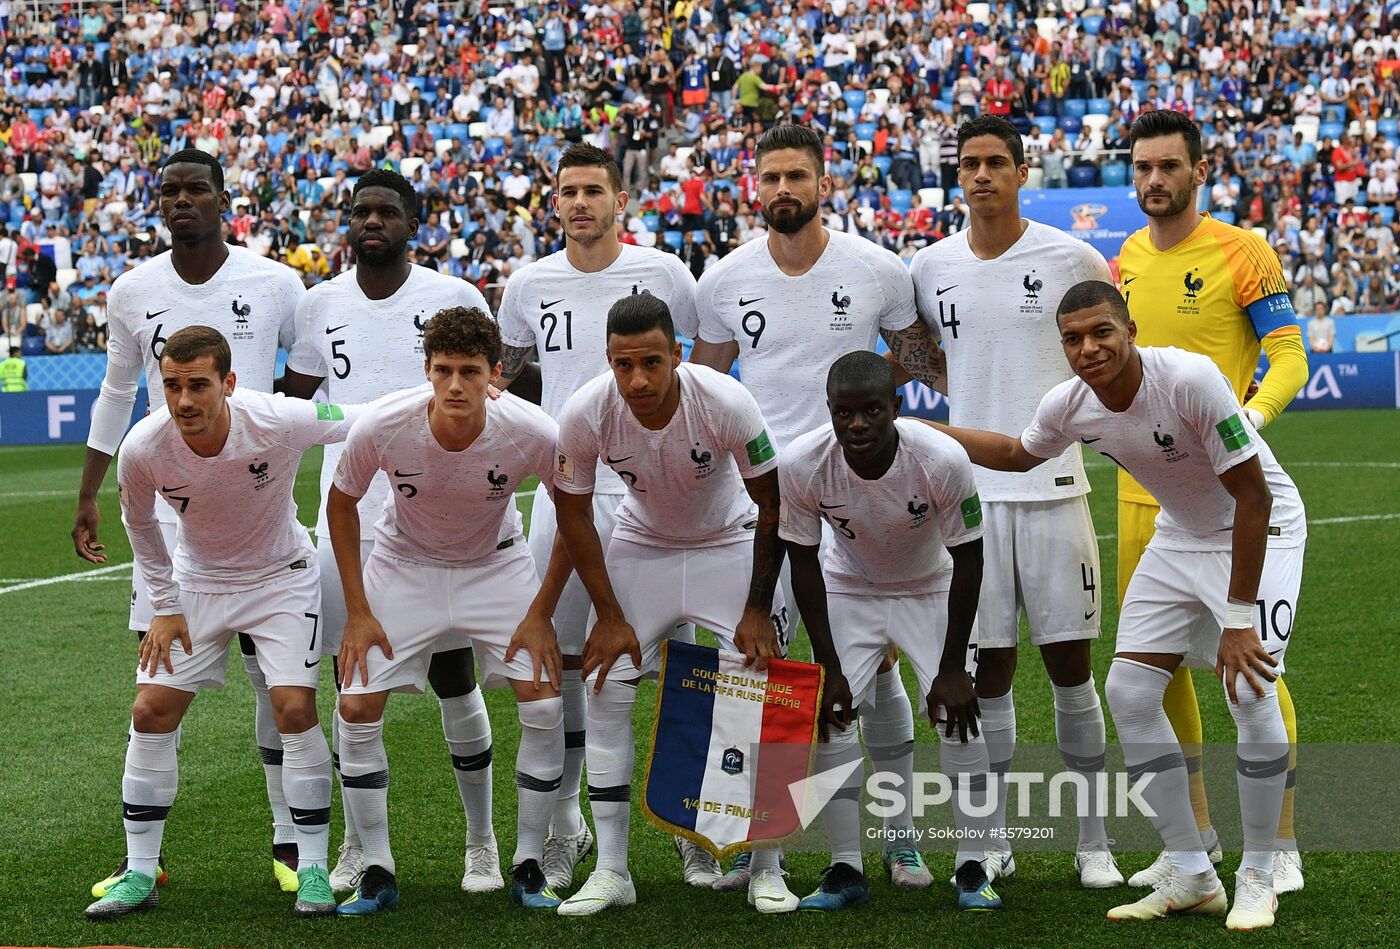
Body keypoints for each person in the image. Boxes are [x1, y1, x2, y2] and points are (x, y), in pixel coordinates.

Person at [938, 281, 1303, 932]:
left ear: (1130, 328)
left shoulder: (1189, 379)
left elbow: (1255, 497)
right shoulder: (1070, 404)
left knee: (1249, 691)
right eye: (1072, 339)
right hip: (1183, 531)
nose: (1088, 348)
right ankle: (1193, 872)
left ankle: (1257, 873)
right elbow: (1018, 455)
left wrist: (1238, 619)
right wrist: (927, 432)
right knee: (1130, 690)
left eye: (1101, 331)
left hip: (1259, 527)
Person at [689, 123, 948, 892]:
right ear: (754, 185)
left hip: (859, 497)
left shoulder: (875, 268)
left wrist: (869, 404)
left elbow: (922, 361)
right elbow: (707, 387)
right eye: (769, 178)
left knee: (877, 674)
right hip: (764, 502)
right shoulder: (724, 278)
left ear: (823, 182)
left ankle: (897, 841)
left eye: (795, 177)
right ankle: (747, 842)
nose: (782, 191)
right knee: (755, 668)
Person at [71, 149, 310, 899]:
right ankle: (142, 857)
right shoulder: (132, 289)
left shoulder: (276, 281)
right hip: (174, 534)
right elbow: (117, 391)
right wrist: (88, 488)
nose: (182, 201)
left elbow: (303, 379)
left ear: (222, 199)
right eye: (169, 190)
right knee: (153, 692)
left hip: (260, 512)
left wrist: (274, 444)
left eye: (195, 189)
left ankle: (290, 844)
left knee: (279, 687)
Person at [906, 115, 1121, 888]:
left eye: (997, 162)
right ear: (956, 175)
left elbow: (1111, 346)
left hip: (1056, 488)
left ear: (1022, 171)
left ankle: (1092, 841)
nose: (982, 175)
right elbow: (921, 352)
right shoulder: (929, 266)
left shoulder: (1073, 256)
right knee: (984, 671)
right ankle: (990, 838)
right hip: (971, 498)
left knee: (1071, 669)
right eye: (970, 164)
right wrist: (970, 393)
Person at [280, 168, 503, 897]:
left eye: (386, 211)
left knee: (452, 675)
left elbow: (486, 396)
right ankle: (357, 844)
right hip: (348, 519)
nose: (371, 221)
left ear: (414, 221)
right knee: (352, 684)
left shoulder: (453, 297)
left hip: (439, 521)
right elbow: (298, 403)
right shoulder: (318, 305)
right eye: (360, 211)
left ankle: (482, 842)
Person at [85, 326, 358, 921]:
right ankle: (138, 872)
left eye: (198, 385)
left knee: (294, 708)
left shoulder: (279, 418)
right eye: (173, 385)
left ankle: (312, 867)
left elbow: (359, 418)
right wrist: (163, 604)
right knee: (150, 711)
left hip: (282, 580)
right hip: (198, 584)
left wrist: (440, 396)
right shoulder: (143, 448)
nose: (184, 400)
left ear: (228, 384)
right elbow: (141, 527)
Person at [495, 142, 702, 892]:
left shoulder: (667, 274)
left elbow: (703, 364)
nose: (580, 202)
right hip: (566, 492)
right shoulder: (527, 282)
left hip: (660, 489)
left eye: (593, 189)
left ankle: (690, 826)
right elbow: (504, 376)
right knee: (572, 660)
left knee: (682, 657)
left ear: (622, 200)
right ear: (553, 203)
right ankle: (567, 827)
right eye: (567, 191)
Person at [1117, 110, 1309, 892]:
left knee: (1251, 670)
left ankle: (1284, 843)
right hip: (1141, 501)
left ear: (1201, 169)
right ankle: (1191, 842)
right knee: (1153, 677)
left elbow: (1289, 355)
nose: (1154, 180)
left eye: (1168, 166)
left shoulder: (1243, 250)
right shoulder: (1124, 258)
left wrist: (1250, 419)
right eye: (1142, 168)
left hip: (1227, 496)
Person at [328, 306, 573, 915]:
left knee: (543, 701)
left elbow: (573, 512)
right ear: (428, 370)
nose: (457, 385)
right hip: (403, 566)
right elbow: (340, 503)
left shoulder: (533, 431)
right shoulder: (384, 424)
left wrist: (540, 612)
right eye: (444, 370)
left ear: (496, 373)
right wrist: (358, 610)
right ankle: (377, 870)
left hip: (496, 567)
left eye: (471, 371)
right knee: (355, 705)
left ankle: (524, 862)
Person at [551, 294, 788, 917]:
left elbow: (772, 501)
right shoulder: (587, 411)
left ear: (676, 355)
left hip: (726, 541)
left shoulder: (725, 401)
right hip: (642, 543)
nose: (638, 380)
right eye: (623, 365)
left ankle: (766, 867)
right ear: (608, 360)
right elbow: (572, 510)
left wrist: (758, 608)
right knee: (605, 687)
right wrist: (608, 614)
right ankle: (611, 871)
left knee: (759, 690)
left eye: (651, 363)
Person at [781, 351, 1000, 913]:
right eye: (844, 413)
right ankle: (846, 866)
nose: (857, 425)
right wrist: (828, 667)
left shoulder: (942, 459)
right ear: (828, 412)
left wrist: (952, 668)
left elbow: (970, 559)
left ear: (896, 408)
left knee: (959, 718)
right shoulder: (803, 462)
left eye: (871, 411)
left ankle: (973, 867)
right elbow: (803, 564)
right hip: (850, 587)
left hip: (929, 587)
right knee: (831, 719)